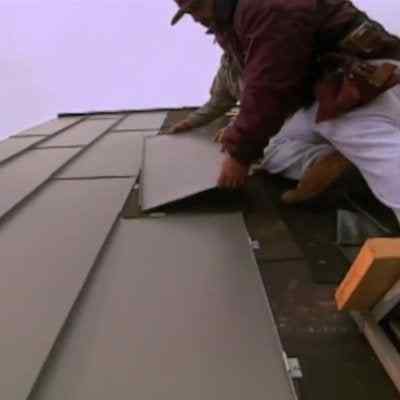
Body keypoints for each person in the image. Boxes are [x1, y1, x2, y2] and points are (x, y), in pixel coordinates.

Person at [170, 0, 400, 223]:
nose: (197, 18)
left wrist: (239, 154)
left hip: (362, 79)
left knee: (367, 143)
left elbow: (268, 86)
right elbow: (276, 89)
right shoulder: (239, 21)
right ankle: (327, 161)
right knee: (273, 147)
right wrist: (240, 132)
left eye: (198, 5)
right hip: (331, 88)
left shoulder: (265, 9)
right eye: (189, 12)